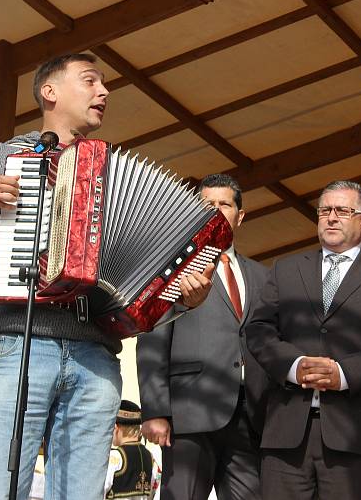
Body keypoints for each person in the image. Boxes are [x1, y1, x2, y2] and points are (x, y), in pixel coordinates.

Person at [0, 53, 214, 500]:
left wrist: (185, 298)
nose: (104, 92)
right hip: (17, 346)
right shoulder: (6, 157)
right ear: (50, 91)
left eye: (104, 86)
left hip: (96, 357)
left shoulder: (111, 174)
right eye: (90, 81)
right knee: (0, 492)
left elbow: (141, 295)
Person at [245, 180, 361, 500]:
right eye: (325, 210)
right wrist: (294, 366)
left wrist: (344, 373)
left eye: (343, 211)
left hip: (354, 435)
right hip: (286, 434)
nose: (332, 218)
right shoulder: (286, 269)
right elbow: (258, 329)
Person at [137, 173, 270, 500]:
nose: (214, 210)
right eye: (206, 204)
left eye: (223, 204)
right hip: (189, 412)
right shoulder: (170, 267)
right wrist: (155, 409)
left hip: (249, 416)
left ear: (240, 216)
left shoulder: (263, 276)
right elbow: (153, 337)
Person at [105, 400, 160, 500]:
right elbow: (155, 489)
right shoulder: (151, 458)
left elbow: (100, 489)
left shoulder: (115, 457)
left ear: (116, 428)